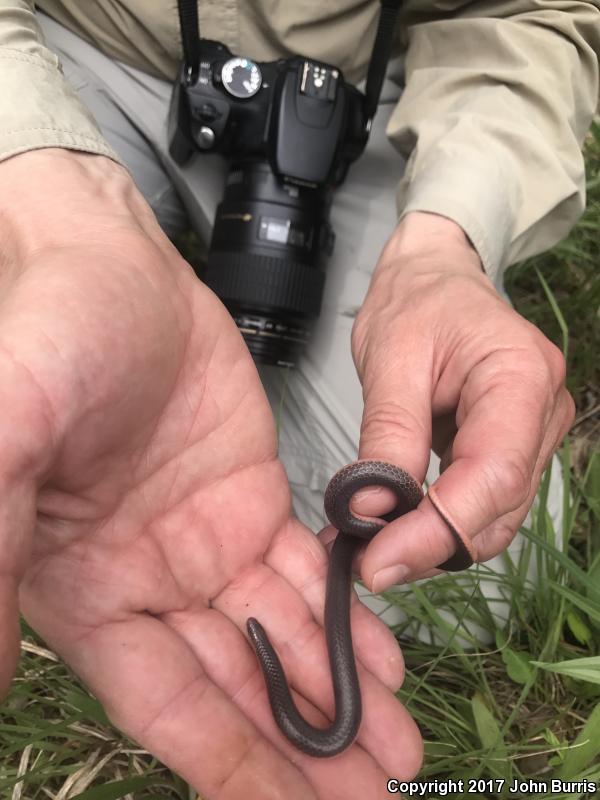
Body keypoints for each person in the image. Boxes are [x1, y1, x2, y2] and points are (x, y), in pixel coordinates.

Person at [0, 1, 598, 797]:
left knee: (477, 581)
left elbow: (531, 13)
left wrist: (445, 242)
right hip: (58, 52)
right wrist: (58, 208)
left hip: (353, 107)